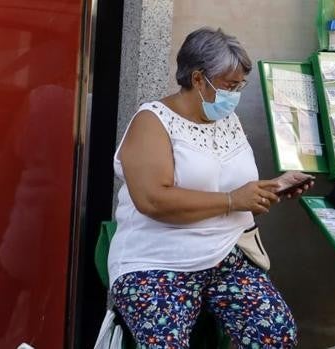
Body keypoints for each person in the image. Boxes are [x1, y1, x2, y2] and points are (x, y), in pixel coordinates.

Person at [107, 26, 311, 348]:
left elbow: (233, 184)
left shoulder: (228, 121)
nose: (235, 94)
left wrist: (268, 189)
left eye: (239, 85)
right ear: (199, 79)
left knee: (274, 333)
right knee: (165, 342)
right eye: (230, 85)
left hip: (227, 255)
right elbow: (152, 200)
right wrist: (231, 200)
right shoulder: (152, 121)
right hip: (159, 261)